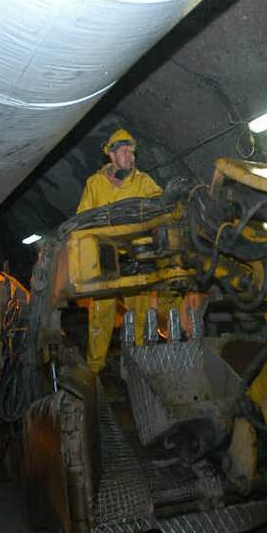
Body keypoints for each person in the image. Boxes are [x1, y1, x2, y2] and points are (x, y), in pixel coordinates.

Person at [77, 128, 161, 373]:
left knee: (140, 311)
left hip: (138, 255)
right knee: (101, 313)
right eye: (125, 152)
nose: (130, 157)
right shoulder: (95, 183)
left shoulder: (143, 181)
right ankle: (95, 369)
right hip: (106, 255)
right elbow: (82, 219)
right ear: (111, 155)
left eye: (132, 152)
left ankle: (140, 367)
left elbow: (161, 205)